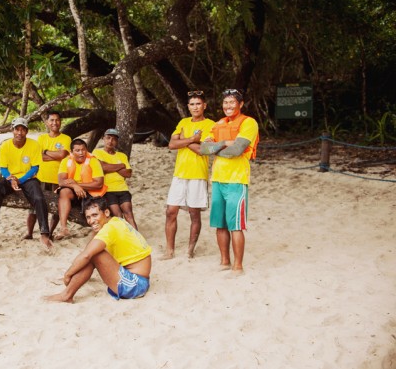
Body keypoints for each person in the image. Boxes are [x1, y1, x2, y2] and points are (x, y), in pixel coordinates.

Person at [45, 197, 152, 303]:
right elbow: (89, 248)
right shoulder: (116, 221)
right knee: (92, 253)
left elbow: (86, 255)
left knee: (94, 255)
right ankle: (72, 284)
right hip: (137, 279)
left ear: (106, 212)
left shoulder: (109, 229)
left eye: (95, 215)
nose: (91, 221)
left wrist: (67, 275)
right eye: (88, 217)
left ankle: (66, 295)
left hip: (135, 285)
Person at [200, 89, 259, 275]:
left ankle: (238, 266)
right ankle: (225, 261)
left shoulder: (249, 123)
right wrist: (225, 143)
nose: (228, 106)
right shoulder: (218, 124)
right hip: (217, 179)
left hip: (237, 180)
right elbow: (203, 148)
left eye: (232, 102)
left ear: (241, 104)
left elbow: (238, 150)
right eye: (225, 102)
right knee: (220, 224)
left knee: (236, 225)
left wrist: (217, 148)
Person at [0, 117, 53, 250]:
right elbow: (3, 167)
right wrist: (10, 179)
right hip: (10, 177)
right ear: (12, 130)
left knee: (39, 198)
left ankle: (44, 233)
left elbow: (35, 168)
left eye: (23, 129)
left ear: (26, 131)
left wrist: (20, 180)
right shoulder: (6, 145)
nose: (19, 132)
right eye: (17, 129)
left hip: (28, 179)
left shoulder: (34, 145)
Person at [164, 91, 215, 259]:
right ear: (188, 106)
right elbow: (171, 144)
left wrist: (185, 140)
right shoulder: (183, 122)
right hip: (179, 174)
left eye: (198, 104)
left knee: (194, 213)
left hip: (197, 174)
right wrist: (192, 139)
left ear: (204, 106)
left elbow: (202, 150)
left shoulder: (211, 125)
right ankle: (169, 250)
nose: (195, 107)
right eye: (192, 104)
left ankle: (190, 250)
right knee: (171, 211)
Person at [25, 111, 71, 239]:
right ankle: (29, 233)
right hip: (40, 178)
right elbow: (38, 157)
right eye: (51, 120)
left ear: (60, 122)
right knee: (33, 207)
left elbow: (63, 155)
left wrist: (46, 152)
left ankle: (49, 233)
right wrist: (54, 155)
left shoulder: (66, 138)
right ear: (47, 122)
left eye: (57, 120)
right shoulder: (41, 138)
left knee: (55, 208)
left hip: (58, 179)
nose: (54, 123)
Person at [55, 138, 107, 240]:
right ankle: (63, 228)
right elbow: (61, 182)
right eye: (77, 150)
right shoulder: (66, 161)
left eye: (83, 150)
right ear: (71, 152)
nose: (81, 153)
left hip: (91, 193)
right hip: (73, 192)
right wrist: (75, 186)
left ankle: (99, 235)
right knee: (64, 191)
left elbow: (99, 183)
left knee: (96, 210)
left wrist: (77, 184)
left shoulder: (93, 160)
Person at [92, 128, 138, 230]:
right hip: (108, 190)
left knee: (129, 214)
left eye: (113, 139)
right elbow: (102, 168)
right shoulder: (97, 152)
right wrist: (120, 165)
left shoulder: (122, 156)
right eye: (108, 138)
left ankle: (138, 240)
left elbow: (128, 173)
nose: (110, 141)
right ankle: (122, 239)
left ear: (117, 142)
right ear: (103, 139)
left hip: (123, 189)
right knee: (118, 216)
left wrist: (108, 166)